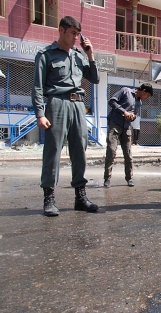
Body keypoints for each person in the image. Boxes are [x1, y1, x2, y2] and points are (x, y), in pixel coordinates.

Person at [32, 16, 100, 217]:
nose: (76, 37)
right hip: (57, 103)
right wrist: (39, 113)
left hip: (78, 105)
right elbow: (37, 87)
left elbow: (94, 78)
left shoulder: (79, 56)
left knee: (80, 150)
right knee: (53, 151)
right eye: (72, 33)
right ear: (61, 31)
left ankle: (80, 197)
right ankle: (49, 198)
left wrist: (91, 55)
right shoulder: (45, 54)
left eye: (78, 34)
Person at [103, 83, 153, 188]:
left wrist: (132, 116)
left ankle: (129, 178)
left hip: (126, 127)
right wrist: (124, 112)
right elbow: (111, 101)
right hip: (115, 125)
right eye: (147, 95)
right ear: (143, 90)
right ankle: (107, 178)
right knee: (111, 151)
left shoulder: (139, 102)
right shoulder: (125, 91)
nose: (146, 98)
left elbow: (135, 115)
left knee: (128, 155)